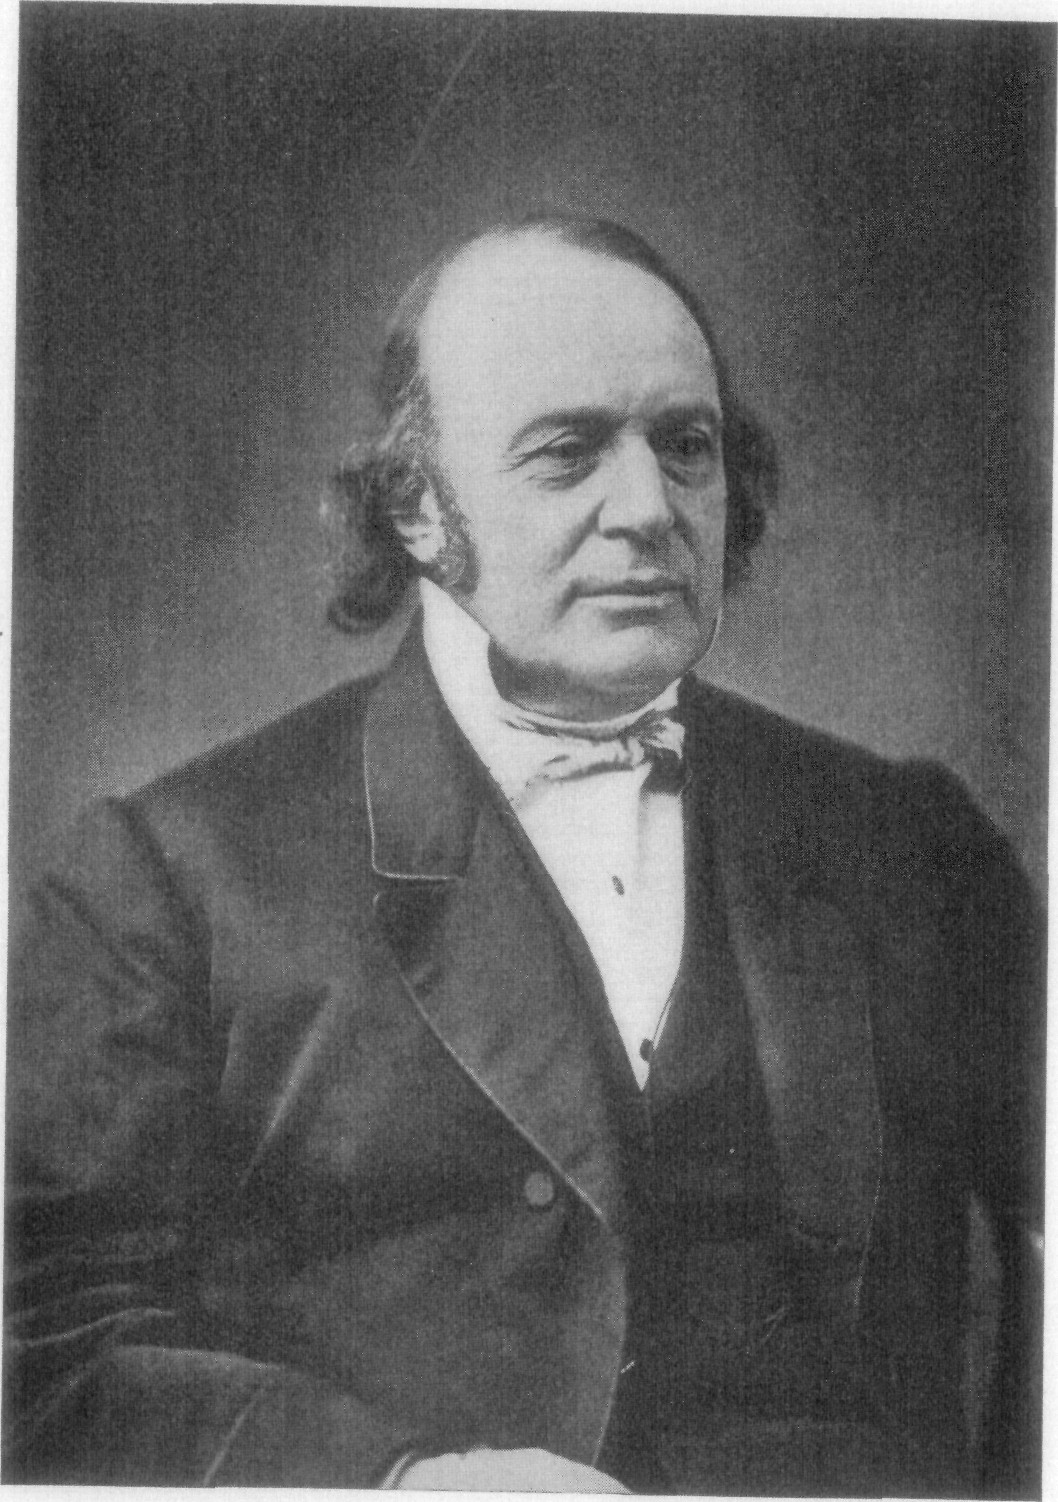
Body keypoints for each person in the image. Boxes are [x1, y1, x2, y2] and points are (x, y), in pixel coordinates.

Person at [3, 216, 1043, 1494]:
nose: (648, 509)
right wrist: (396, 1482)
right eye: (566, 452)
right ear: (415, 505)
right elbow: (38, 1344)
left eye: (686, 445)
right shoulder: (168, 879)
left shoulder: (910, 843)